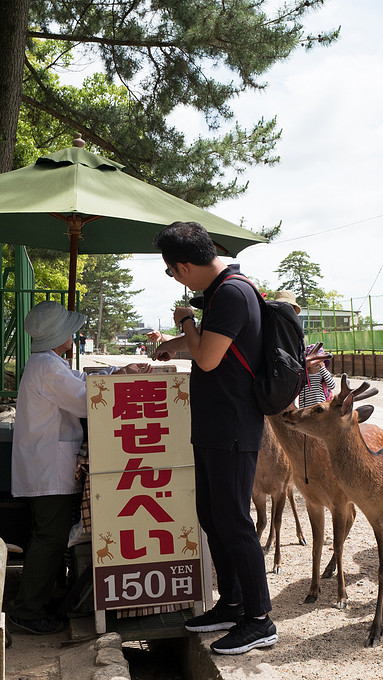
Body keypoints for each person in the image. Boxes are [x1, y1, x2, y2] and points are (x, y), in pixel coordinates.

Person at [152, 221, 277, 655]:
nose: (174, 279)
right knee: (212, 515)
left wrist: (186, 321)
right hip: (214, 425)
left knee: (234, 521)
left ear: (183, 267)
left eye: (171, 272)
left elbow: (206, 357)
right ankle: (233, 602)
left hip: (233, 426)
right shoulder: (224, 291)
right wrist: (175, 340)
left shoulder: (231, 293)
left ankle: (259, 619)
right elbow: (218, 348)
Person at [9, 301, 152, 635]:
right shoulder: (47, 366)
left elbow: (81, 381)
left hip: (47, 465)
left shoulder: (47, 363)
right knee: (51, 537)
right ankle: (28, 611)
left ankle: (41, 599)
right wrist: (119, 379)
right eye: (69, 331)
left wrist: (116, 373)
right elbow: (87, 399)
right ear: (60, 336)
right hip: (48, 468)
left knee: (50, 535)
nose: (74, 335)